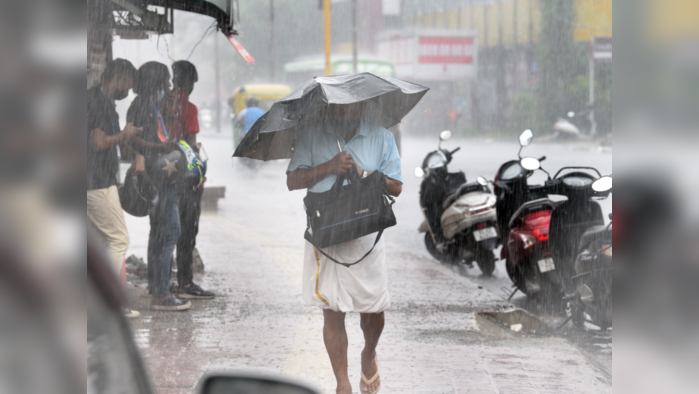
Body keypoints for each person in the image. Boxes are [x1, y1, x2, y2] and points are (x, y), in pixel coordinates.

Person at [286, 103, 402, 394]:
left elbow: (396, 186)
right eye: (336, 108)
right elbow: (292, 180)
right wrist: (329, 167)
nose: (343, 114)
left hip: (366, 234)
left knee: (374, 309)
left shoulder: (381, 137)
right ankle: (342, 382)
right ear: (327, 108)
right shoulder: (311, 135)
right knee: (332, 309)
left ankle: (368, 352)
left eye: (350, 108)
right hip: (326, 235)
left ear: (362, 107)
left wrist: (364, 174)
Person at [127, 61, 191, 311]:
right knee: (169, 231)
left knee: (160, 233)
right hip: (159, 179)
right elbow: (136, 140)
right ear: (156, 81)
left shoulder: (149, 103)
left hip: (161, 178)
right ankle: (162, 294)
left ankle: (157, 287)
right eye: (166, 79)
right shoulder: (143, 104)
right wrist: (161, 148)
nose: (169, 84)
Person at [87, 58, 144, 318]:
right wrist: (124, 134)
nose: (128, 91)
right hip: (96, 182)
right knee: (118, 238)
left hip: (96, 179)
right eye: (128, 85)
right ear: (119, 77)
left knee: (99, 242)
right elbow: (98, 143)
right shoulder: (96, 101)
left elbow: (114, 141)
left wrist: (134, 152)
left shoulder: (105, 102)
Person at [165, 60, 215, 299]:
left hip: (163, 173)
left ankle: (163, 282)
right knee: (187, 231)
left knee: (164, 230)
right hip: (185, 179)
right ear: (188, 81)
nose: (193, 86)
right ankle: (185, 282)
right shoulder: (189, 107)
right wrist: (199, 177)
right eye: (193, 82)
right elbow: (191, 146)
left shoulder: (163, 103)